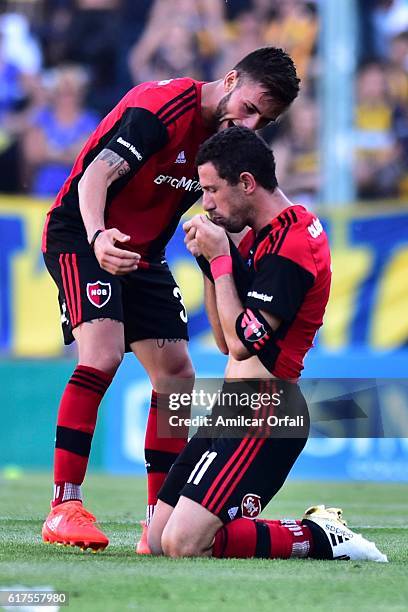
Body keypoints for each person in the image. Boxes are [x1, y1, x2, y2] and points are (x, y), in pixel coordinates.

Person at [40, 47, 301, 552]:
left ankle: (156, 523)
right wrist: (97, 238)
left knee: (177, 378)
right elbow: (95, 175)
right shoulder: (163, 107)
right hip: (81, 233)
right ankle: (64, 505)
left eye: (263, 121)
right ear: (229, 79)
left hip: (144, 253)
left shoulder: (225, 146)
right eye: (249, 107)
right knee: (103, 354)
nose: (249, 124)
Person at [146, 127, 387, 563]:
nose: (207, 203)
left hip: (267, 411)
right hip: (233, 405)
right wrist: (207, 261)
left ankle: (318, 536)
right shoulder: (262, 233)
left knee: (183, 544)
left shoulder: (293, 244)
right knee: (158, 539)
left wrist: (222, 258)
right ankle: (271, 530)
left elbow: (242, 345)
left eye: (213, 190)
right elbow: (223, 340)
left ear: (246, 183)